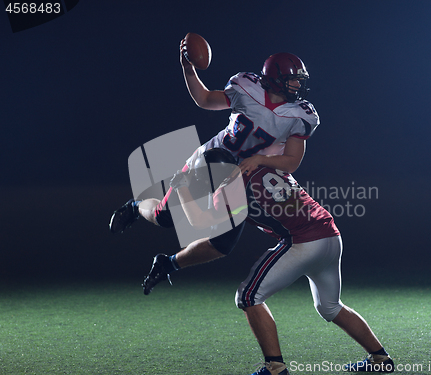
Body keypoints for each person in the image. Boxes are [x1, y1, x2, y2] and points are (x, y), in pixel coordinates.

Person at [140, 148, 395, 375]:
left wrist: (183, 188)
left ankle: (275, 367)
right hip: (331, 235)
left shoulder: (230, 189)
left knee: (248, 296)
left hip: (301, 242)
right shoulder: (261, 165)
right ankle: (380, 358)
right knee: (329, 307)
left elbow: (198, 221)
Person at [109, 37, 320, 253]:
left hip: (247, 176)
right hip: (211, 161)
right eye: (293, 80)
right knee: (164, 217)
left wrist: (259, 160)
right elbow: (205, 99)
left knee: (222, 241)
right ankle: (136, 207)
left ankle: (171, 264)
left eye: (299, 80)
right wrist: (189, 70)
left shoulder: (300, 115)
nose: (298, 85)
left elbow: (292, 162)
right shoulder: (247, 88)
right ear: (275, 79)